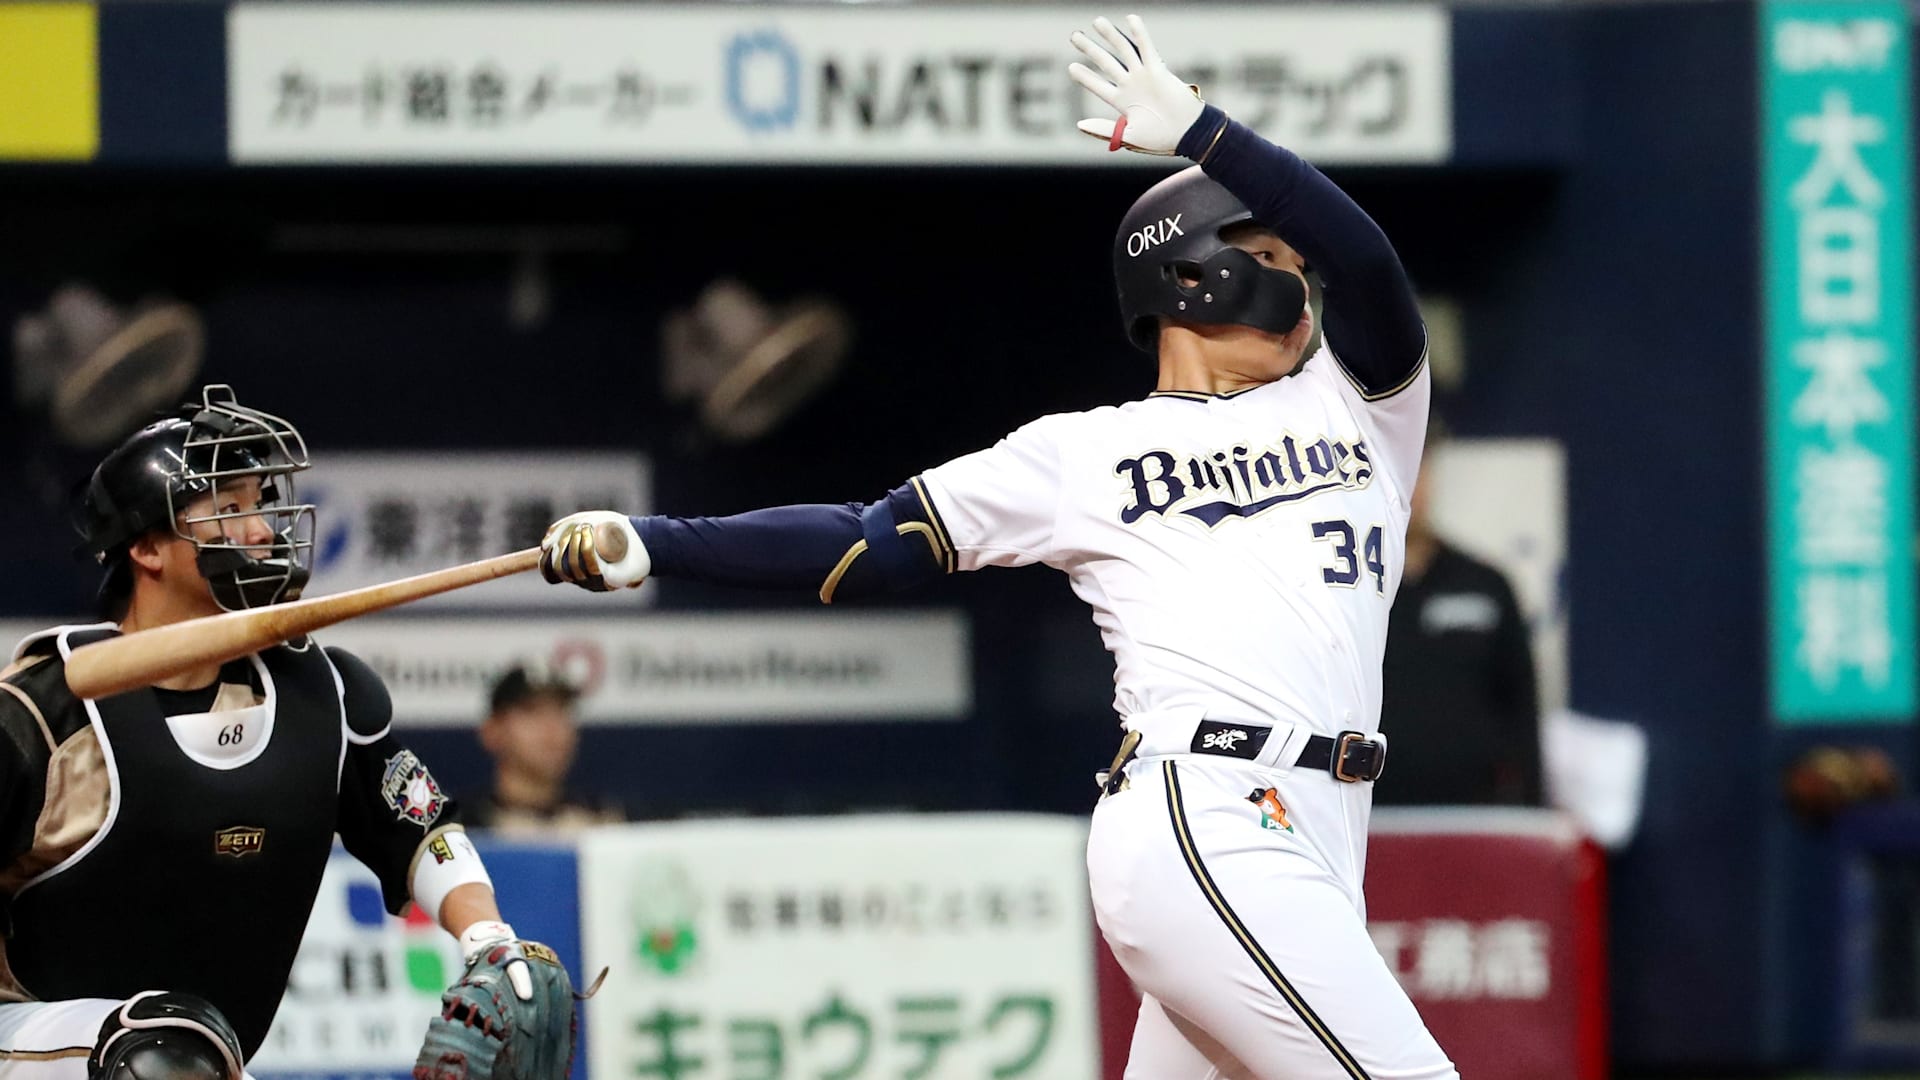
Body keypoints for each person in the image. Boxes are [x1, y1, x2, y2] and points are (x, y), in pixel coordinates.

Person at [540, 14, 1454, 1079]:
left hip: (1325, 832)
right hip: (1209, 813)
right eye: (1268, 255)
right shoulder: (1085, 454)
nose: (1301, 278)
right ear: (1194, 276)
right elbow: (864, 543)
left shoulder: (1361, 410)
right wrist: (654, 543)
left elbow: (1373, 261)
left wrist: (1210, 133)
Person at [0, 385, 569, 1080]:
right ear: (148, 548)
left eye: (259, 503)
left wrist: (487, 937)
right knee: (162, 1058)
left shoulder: (323, 693)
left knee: (178, 1054)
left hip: (195, 1053)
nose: (263, 529)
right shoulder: (44, 712)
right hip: (31, 1032)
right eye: (228, 508)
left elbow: (420, 827)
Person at [1377, 423, 1543, 806]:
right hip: (1366, 820)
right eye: (1389, 467)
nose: (1407, 484)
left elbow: (1522, 711)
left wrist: (1529, 813)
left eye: (1417, 466)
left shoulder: (1487, 585)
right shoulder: (1342, 592)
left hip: (1472, 818)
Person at [463, 665, 624, 837]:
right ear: (491, 731)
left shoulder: (605, 822)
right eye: (532, 711)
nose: (551, 729)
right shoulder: (458, 828)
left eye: (562, 711)